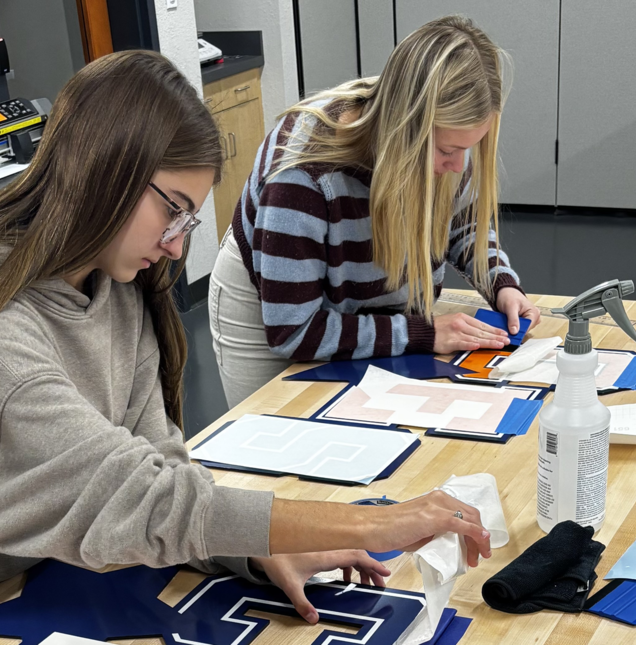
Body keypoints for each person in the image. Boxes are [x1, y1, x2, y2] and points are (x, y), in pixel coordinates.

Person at [0, 51, 491, 645]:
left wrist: (252, 548)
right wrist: (377, 521)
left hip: (80, 569)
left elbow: (160, 466)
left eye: (186, 223)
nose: (174, 246)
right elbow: (138, 498)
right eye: (174, 211)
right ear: (102, 168)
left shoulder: (117, 286)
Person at [208, 16, 542, 408]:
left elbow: (462, 225)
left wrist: (500, 282)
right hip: (276, 305)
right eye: (448, 151)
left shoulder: (446, 139)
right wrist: (423, 333)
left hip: (354, 296)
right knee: (274, 439)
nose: (458, 164)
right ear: (404, 129)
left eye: (468, 148)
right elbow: (294, 332)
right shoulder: (303, 174)